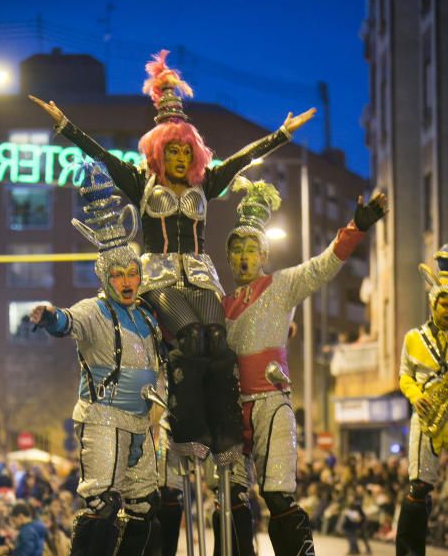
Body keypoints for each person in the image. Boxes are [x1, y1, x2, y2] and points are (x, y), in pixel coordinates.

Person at [29, 49, 316, 463]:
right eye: (173, 152)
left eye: (186, 152)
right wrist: (65, 126)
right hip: (160, 279)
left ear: (194, 154)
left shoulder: (206, 184)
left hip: (200, 276)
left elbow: (241, 161)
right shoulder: (141, 184)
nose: (180, 158)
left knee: (218, 344)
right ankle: (187, 430)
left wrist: (282, 134)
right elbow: (104, 157)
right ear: (158, 153)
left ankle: (226, 434)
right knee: (189, 339)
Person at [212, 177, 387, 556]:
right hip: (234, 410)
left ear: (264, 255)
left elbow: (325, 265)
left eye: (251, 250)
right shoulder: (221, 303)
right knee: (230, 497)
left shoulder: (282, 286)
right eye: (236, 251)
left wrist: (356, 228)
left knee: (277, 496)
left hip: (272, 403)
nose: (243, 258)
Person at [29, 162, 171, 556]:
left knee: (147, 506)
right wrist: (49, 316)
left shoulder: (148, 318)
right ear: (105, 276)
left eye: (134, 273)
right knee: (103, 504)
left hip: (142, 425)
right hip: (104, 419)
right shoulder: (94, 311)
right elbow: (66, 323)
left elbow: (162, 367)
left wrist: (161, 407)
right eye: (120, 274)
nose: (129, 281)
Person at [395, 245, 448, 556]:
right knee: (419, 486)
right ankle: (410, 554)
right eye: (444, 304)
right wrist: (416, 396)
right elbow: (404, 375)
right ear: (433, 304)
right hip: (428, 414)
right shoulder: (413, 338)